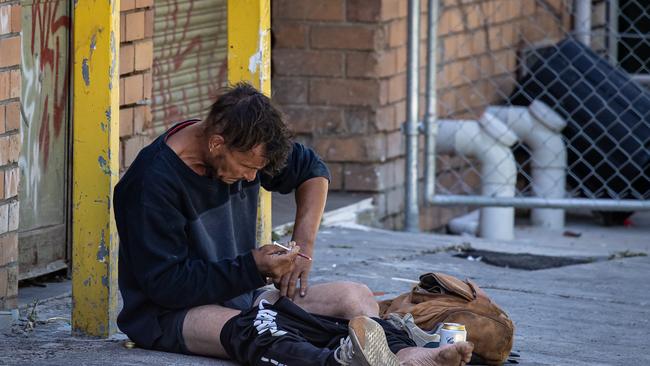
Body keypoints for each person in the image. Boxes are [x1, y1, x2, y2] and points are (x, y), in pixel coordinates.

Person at [114, 83, 473, 365]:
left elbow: (311, 170)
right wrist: (252, 267)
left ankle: (406, 355)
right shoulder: (151, 184)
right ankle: (340, 361)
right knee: (262, 330)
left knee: (355, 297)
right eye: (248, 168)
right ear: (216, 143)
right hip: (171, 316)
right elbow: (167, 287)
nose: (254, 177)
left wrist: (304, 249)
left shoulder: (244, 148)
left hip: (242, 296)